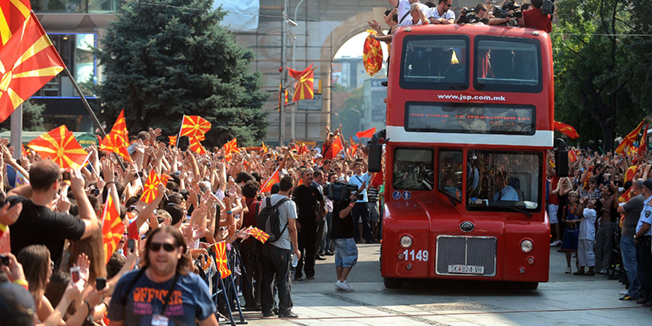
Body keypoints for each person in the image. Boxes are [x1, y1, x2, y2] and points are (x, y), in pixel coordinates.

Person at [107, 226, 218, 325]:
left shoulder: (194, 285)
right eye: (155, 247)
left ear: (179, 251)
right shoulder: (127, 282)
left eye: (168, 247)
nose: (161, 252)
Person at [4, 159, 99, 268]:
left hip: (15, 277)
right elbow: (93, 224)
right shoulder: (59, 221)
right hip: (46, 282)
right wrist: (79, 190)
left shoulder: (16, 207)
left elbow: (13, 192)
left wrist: (40, 181)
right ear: (55, 185)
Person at [258, 176, 300, 318]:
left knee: (267, 277)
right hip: (282, 245)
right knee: (283, 278)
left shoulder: (266, 200)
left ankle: (267, 309)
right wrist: (296, 248)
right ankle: (285, 309)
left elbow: (260, 222)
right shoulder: (289, 204)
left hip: (266, 245)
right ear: (291, 188)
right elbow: (292, 228)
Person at [292, 168, 324, 280]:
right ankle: (298, 273)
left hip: (312, 222)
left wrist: (320, 213)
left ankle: (310, 272)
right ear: (302, 177)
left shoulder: (315, 189)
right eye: (307, 175)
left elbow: (322, 200)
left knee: (311, 249)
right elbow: (293, 207)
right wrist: (296, 221)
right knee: (300, 248)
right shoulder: (298, 190)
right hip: (301, 223)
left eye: (311, 174)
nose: (310, 176)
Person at [617, 179, 645, 301]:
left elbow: (620, 209)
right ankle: (635, 288)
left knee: (630, 264)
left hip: (629, 234)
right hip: (634, 234)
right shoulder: (643, 200)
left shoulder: (637, 200)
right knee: (634, 263)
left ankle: (634, 289)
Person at [330, 192, 359, 292]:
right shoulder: (341, 202)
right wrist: (352, 204)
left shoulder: (340, 199)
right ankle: (342, 281)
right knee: (351, 255)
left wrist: (360, 189)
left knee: (340, 258)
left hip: (339, 234)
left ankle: (340, 282)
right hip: (344, 235)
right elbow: (342, 215)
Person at [632, 180, 652, 303]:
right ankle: (647, 293)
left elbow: (646, 225)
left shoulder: (650, 204)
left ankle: (649, 295)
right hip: (644, 239)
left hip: (646, 239)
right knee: (644, 269)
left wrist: (637, 236)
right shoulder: (647, 203)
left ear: (645, 189)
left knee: (647, 269)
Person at [348, 161, 372, 243]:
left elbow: (370, 170)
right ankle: (356, 238)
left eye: (360, 166)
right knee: (355, 221)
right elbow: (349, 190)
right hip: (355, 201)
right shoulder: (352, 178)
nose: (358, 168)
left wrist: (363, 161)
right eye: (357, 166)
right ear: (354, 169)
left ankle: (368, 238)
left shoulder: (365, 176)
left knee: (366, 220)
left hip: (364, 201)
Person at [575, 196, 597, 276]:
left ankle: (591, 268)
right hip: (582, 233)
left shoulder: (592, 211)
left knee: (588, 251)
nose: (590, 202)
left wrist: (582, 204)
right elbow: (577, 213)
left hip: (588, 234)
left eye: (592, 202)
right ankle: (582, 268)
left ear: (595, 206)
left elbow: (580, 214)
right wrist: (581, 204)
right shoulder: (586, 209)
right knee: (581, 251)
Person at [560, 191, 580, 273]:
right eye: (569, 196)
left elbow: (582, 218)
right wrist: (566, 221)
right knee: (568, 250)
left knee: (577, 249)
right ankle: (568, 266)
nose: (570, 198)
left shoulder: (578, 207)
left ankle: (578, 264)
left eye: (572, 196)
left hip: (576, 232)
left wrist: (575, 221)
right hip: (568, 231)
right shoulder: (565, 208)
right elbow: (562, 219)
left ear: (576, 199)